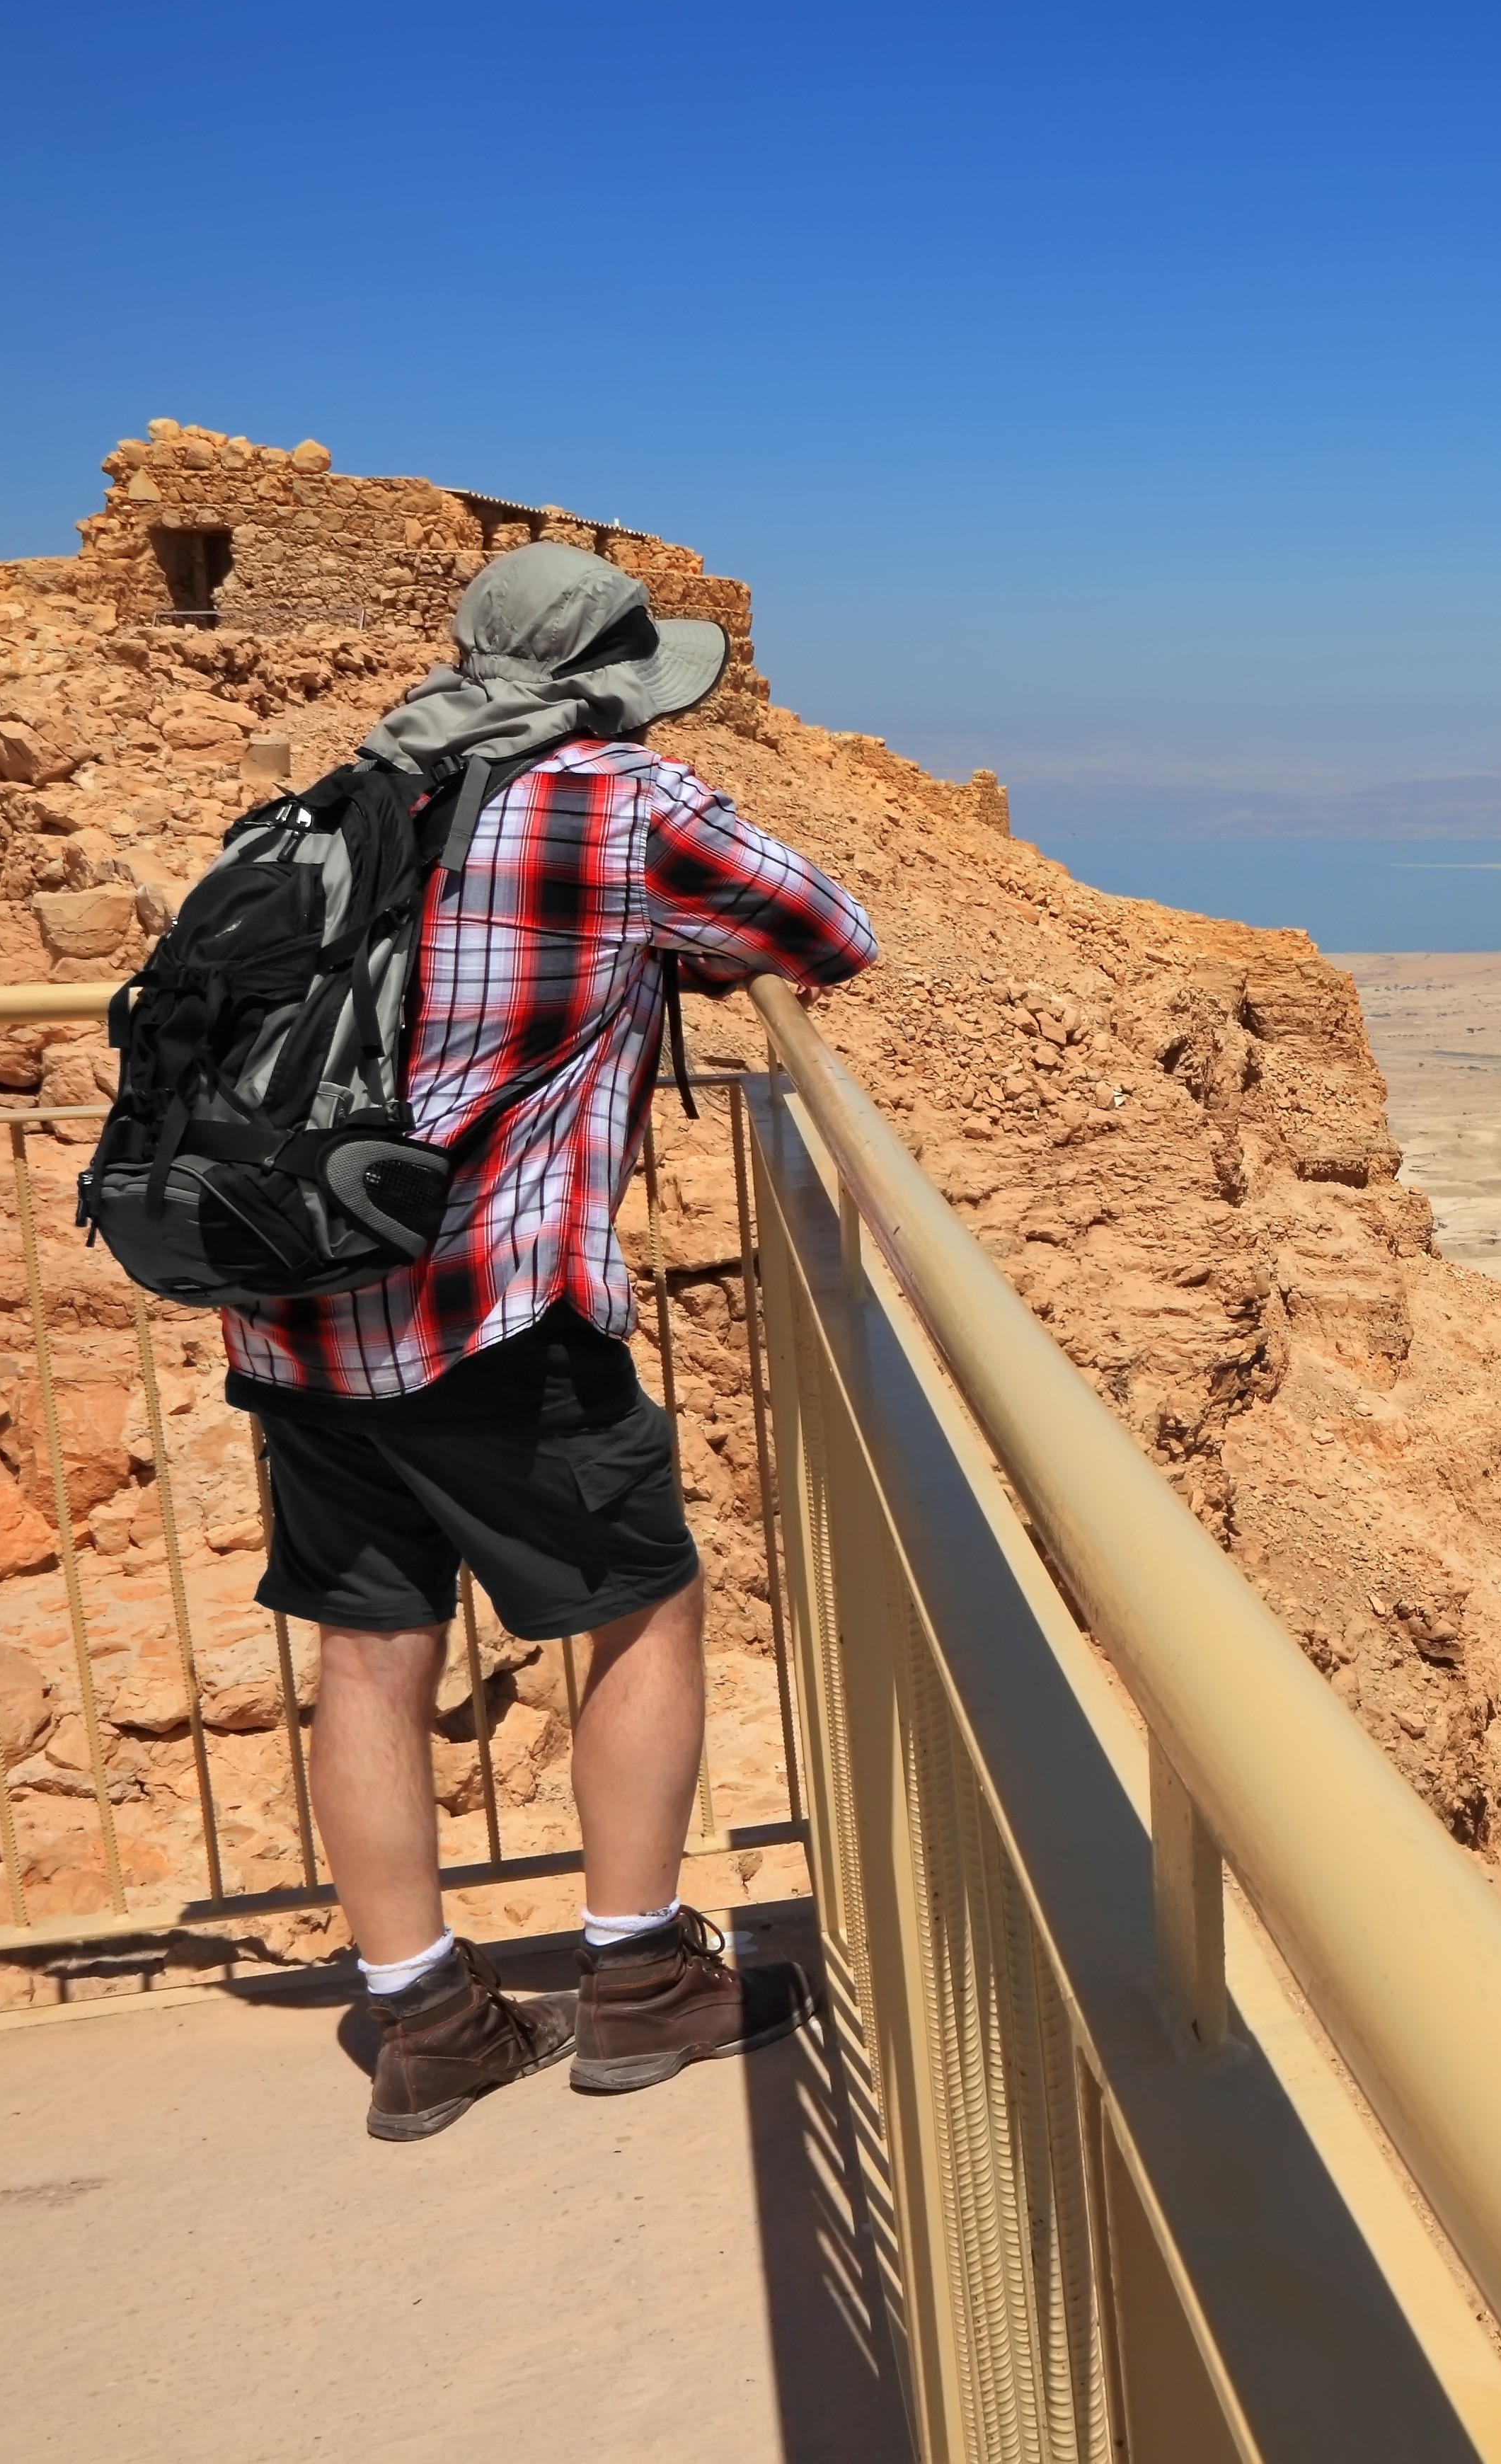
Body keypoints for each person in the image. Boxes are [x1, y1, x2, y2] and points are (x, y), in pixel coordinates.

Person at [223, 542, 878, 2140]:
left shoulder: (349, 792)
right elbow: (830, 931)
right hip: (488, 1305)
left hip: (295, 1301)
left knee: (373, 1652)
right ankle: (642, 1979)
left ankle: (426, 2018)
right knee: (642, 1607)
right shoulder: (618, 800)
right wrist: (671, 943)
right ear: (611, 682)